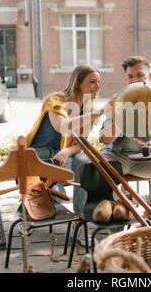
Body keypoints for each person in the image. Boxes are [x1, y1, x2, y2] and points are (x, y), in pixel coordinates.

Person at [98, 55, 151, 217]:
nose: (134, 80)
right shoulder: (118, 99)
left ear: (150, 76)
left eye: (140, 75)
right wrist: (120, 116)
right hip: (117, 156)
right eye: (130, 76)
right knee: (99, 165)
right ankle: (117, 208)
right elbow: (105, 139)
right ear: (126, 78)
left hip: (146, 159)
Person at [25, 64, 113, 207]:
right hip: (39, 157)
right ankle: (39, 201)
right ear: (77, 83)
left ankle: (81, 214)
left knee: (88, 165)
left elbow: (81, 144)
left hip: (63, 159)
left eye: (99, 82)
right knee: (57, 199)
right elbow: (63, 127)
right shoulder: (55, 101)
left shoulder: (89, 109)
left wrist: (67, 150)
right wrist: (99, 113)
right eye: (92, 82)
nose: (97, 87)